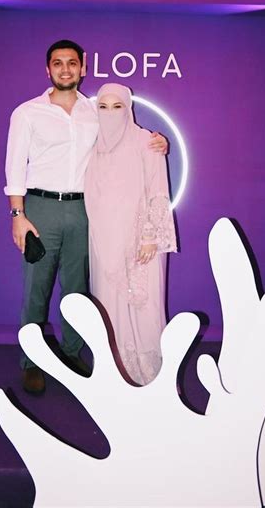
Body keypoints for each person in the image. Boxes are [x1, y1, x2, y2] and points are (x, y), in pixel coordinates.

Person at [4, 40, 167, 394]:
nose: (65, 69)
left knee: (77, 289)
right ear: (48, 69)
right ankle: (31, 362)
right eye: (58, 63)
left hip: (83, 210)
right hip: (41, 208)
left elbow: (123, 132)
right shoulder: (28, 113)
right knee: (36, 289)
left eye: (72, 63)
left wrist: (158, 142)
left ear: (83, 68)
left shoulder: (94, 111)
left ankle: (72, 352)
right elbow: (14, 166)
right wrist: (18, 214)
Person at [84, 83, 177, 386]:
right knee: (108, 304)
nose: (110, 113)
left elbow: (158, 190)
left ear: (129, 109)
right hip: (103, 241)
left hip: (140, 240)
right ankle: (114, 373)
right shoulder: (91, 144)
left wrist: (150, 236)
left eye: (117, 107)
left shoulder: (146, 142)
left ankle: (150, 375)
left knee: (144, 307)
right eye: (103, 107)